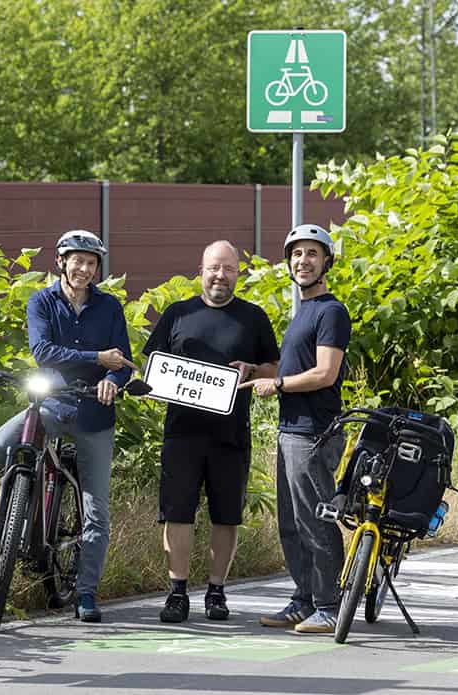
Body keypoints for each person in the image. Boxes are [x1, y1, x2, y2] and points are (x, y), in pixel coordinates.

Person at [0, 229, 136, 623]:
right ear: (61, 262)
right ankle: (19, 511)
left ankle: (86, 593)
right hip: (52, 404)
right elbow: (43, 351)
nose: (84, 269)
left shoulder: (110, 308)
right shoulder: (41, 301)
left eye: (91, 263)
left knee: (95, 509)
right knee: (1, 444)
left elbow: (122, 361)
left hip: (94, 415)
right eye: (78, 261)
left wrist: (112, 379)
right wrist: (96, 357)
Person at [142, 240, 280, 623]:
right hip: (182, 432)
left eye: (229, 269)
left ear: (238, 273)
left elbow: (274, 368)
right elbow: (153, 367)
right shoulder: (177, 314)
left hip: (231, 433)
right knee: (177, 513)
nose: (221, 275)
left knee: (226, 515)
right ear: (200, 271)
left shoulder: (254, 317)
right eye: (214, 268)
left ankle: (217, 592)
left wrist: (251, 370)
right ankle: (178, 593)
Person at [240, 223, 351, 634]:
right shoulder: (303, 311)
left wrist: (280, 383)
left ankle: (329, 606)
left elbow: (325, 373)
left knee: (315, 520)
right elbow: (288, 366)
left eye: (311, 254)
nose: (302, 261)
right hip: (292, 429)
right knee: (290, 522)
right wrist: (255, 370)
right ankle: (303, 599)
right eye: (296, 254)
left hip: (314, 431)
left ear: (326, 262)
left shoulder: (331, 311)